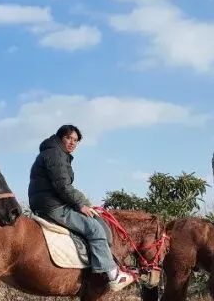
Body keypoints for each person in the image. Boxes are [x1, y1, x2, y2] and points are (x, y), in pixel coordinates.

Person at [28, 124, 135, 291]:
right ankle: (113, 275)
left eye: (76, 140)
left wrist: (86, 204)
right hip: (52, 204)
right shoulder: (56, 154)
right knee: (94, 228)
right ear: (60, 138)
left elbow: (65, 187)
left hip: (46, 201)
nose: (72, 142)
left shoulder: (55, 153)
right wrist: (80, 205)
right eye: (68, 138)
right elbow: (63, 186)